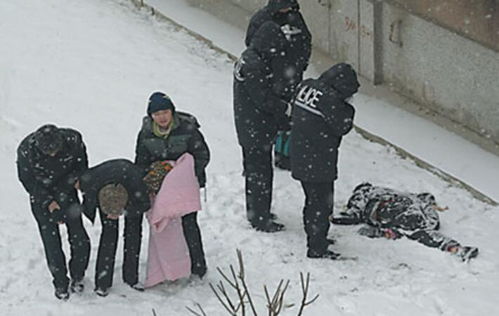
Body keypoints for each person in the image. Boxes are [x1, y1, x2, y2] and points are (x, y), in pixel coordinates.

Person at [135, 91, 210, 278]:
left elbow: (202, 155)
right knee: (164, 225)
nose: (162, 117)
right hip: (161, 185)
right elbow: (141, 162)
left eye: (165, 112)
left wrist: (181, 172)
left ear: (172, 112)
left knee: (189, 223)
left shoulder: (188, 129)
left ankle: (198, 266)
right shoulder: (145, 134)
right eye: (157, 114)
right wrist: (157, 172)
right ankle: (170, 267)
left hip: (185, 184)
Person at [290, 63, 360, 259]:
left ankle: (316, 236)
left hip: (301, 152)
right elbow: (343, 126)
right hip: (318, 159)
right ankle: (316, 246)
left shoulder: (307, 86)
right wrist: (347, 109)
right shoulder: (331, 101)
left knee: (313, 199)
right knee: (319, 204)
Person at [16, 124, 91, 300]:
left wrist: (79, 183)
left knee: (80, 238)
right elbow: (27, 180)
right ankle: (60, 283)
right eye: (48, 152)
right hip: (41, 194)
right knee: (52, 242)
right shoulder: (26, 150)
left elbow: (81, 167)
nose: (52, 155)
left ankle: (78, 275)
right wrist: (49, 203)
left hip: (67, 190)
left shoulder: (73, 140)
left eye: (55, 151)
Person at [234, 21, 291, 232]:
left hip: (248, 126)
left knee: (254, 173)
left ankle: (257, 211)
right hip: (256, 129)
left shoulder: (248, 58)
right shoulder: (255, 66)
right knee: (260, 174)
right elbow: (264, 99)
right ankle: (260, 217)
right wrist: (285, 108)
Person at [332, 183, 480, 261]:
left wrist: (333, 218)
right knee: (417, 229)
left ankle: (454, 248)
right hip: (421, 212)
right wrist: (428, 202)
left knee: (415, 231)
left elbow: (350, 217)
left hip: (402, 212)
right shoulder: (382, 191)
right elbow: (424, 196)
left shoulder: (364, 196)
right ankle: (453, 247)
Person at [245, 0, 312, 171]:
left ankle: (285, 155)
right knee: (273, 112)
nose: (287, 10)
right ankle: (269, 152)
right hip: (272, 78)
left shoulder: (295, 18)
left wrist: (300, 64)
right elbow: (252, 45)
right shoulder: (262, 20)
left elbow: (305, 40)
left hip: (292, 76)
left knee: (289, 117)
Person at [77, 159, 150, 296]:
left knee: (133, 235)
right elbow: (88, 205)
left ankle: (131, 278)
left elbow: (145, 204)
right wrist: (109, 212)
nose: (112, 216)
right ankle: (102, 283)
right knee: (108, 236)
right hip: (107, 190)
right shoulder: (92, 185)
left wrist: (125, 211)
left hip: (131, 194)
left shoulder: (138, 185)